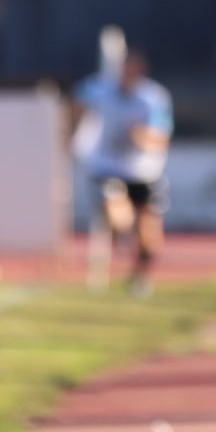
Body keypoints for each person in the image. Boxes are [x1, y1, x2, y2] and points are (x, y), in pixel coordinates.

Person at [71, 46, 173, 296]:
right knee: (116, 209)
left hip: (144, 171)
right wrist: (75, 131)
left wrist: (142, 138)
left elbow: (161, 138)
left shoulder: (154, 98)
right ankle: (123, 235)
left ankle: (139, 278)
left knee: (150, 239)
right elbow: (76, 103)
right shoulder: (100, 89)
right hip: (108, 168)